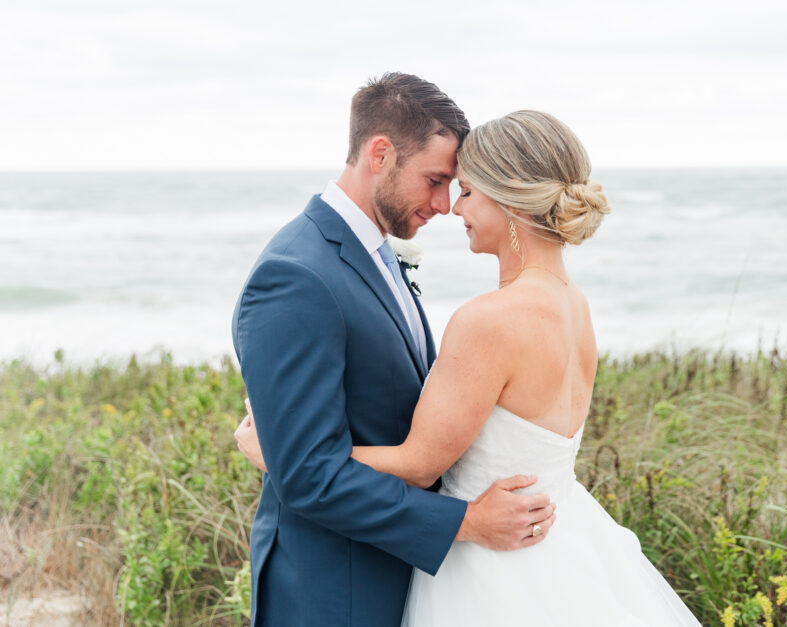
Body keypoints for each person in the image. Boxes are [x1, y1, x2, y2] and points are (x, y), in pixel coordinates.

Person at [236, 109, 702, 625]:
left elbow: (419, 464)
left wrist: (282, 455)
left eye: (467, 191)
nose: (453, 207)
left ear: (510, 198)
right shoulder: (576, 305)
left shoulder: (490, 320)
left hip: (489, 574)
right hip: (563, 549)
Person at [231, 74, 557, 627]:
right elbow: (309, 475)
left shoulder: (376, 252)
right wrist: (465, 522)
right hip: (333, 592)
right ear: (379, 154)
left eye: (452, 185)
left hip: (394, 575)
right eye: (434, 180)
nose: (443, 204)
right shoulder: (295, 276)